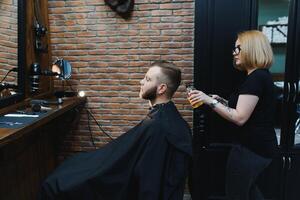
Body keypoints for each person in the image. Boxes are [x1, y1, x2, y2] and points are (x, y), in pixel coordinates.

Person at [39, 61, 192, 200]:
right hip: (113, 166)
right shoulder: (168, 119)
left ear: (161, 88)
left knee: (56, 183)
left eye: (147, 79)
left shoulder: (158, 126)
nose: (141, 82)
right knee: (73, 166)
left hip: (116, 178)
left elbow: (148, 180)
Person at [187, 30, 277, 200]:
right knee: (249, 192)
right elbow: (248, 110)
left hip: (252, 149)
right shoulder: (258, 76)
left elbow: (240, 117)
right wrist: (222, 101)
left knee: (237, 194)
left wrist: (208, 100)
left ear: (251, 48)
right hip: (256, 146)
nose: (234, 52)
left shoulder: (256, 78)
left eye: (238, 48)